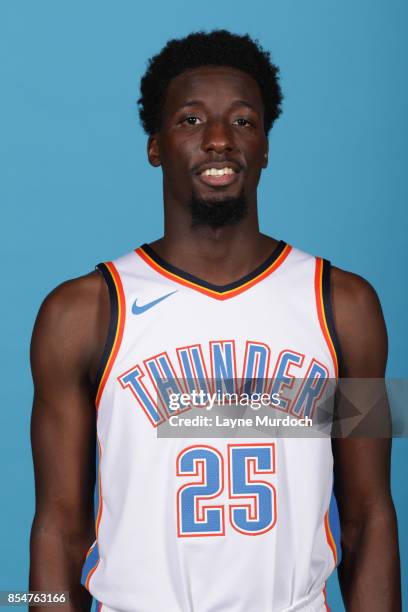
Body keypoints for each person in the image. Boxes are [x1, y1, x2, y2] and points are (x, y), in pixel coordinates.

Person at [29, 30, 401, 612]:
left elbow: (371, 514)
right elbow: (57, 528)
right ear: (154, 145)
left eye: (244, 122)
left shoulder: (347, 305)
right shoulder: (79, 313)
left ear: (266, 146)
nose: (221, 140)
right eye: (191, 121)